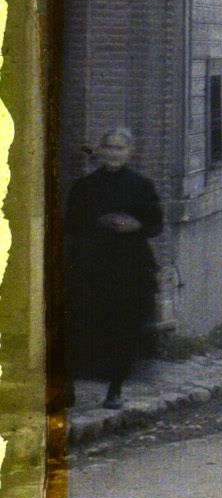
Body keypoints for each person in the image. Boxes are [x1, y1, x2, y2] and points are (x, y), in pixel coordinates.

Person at [65, 128, 163, 408]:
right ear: (101, 150)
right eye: (109, 147)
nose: (114, 153)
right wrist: (100, 221)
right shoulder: (85, 186)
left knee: (124, 326)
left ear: (129, 152)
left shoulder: (141, 185)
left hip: (129, 266)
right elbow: (70, 223)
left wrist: (135, 225)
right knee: (82, 325)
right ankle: (69, 384)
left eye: (120, 149)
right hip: (92, 266)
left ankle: (115, 389)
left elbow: (155, 223)